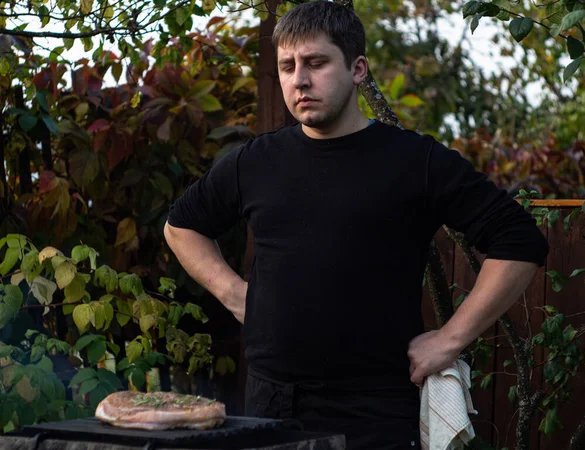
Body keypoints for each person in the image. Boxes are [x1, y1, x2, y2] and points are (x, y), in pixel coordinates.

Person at [164, 2, 549, 449]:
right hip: (271, 402)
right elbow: (181, 226)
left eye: (316, 63)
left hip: (375, 410)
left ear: (358, 68)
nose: (299, 79)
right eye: (287, 67)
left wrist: (450, 338)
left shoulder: (415, 162)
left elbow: (519, 242)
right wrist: (236, 295)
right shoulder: (256, 162)